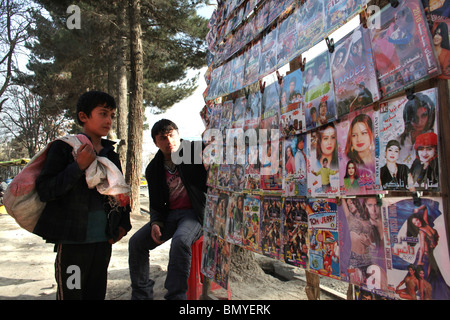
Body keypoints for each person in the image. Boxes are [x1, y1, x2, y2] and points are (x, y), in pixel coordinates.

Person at [34, 90, 132, 300]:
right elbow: (46, 190)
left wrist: (124, 224)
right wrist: (78, 166)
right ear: (83, 117)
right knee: (72, 295)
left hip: (103, 243)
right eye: (103, 113)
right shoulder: (64, 148)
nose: (109, 120)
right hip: (73, 245)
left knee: (95, 295)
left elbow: (121, 192)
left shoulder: (110, 155)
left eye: (112, 115)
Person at [128, 119, 207, 300]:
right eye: (163, 138)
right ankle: (141, 296)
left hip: (195, 214)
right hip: (170, 216)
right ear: (156, 142)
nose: (169, 141)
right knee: (136, 243)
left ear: (179, 136)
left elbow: (213, 146)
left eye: (172, 135)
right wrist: (155, 222)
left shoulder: (193, 151)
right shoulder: (153, 168)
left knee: (180, 241)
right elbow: (155, 204)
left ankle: (176, 296)